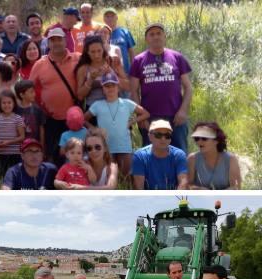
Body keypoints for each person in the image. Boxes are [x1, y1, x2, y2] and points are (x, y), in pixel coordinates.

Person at [130, 23, 193, 151]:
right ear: (146, 39)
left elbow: (188, 88)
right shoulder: (138, 60)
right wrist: (140, 117)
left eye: (159, 33)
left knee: (179, 154)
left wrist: (183, 111)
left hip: (175, 117)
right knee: (151, 155)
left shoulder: (177, 57)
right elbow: (134, 91)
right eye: (151, 34)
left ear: (164, 36)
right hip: (149, 117)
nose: (156, 37)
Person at [30, 28, 80, 165]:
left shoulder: (78, 58)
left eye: (59, 39)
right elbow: (29, 88)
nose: (56, 43)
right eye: (52, 40)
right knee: (53, 154)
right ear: (48, 43)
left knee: (75, 155)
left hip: (74, 118)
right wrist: (38, 109)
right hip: (50, 119)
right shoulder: (40, 64)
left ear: (66, 40)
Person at [84, 72, 149, 177]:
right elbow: (83, 119)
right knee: (109, 177)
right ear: (103, 89)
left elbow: (146, 113)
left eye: (113, 85)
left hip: (124, 146)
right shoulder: (97, 105)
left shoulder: (127, 103)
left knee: (127, 176)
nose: (110, 89)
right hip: (106, 148)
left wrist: (132, 121)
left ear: (118, 87)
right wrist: (93, 129)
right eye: (107, 86)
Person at [75, 35, 129, 110]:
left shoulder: (113, 61)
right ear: (87, 52)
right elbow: (80, 96)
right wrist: (90, 80)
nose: (96, 55)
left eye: (99, 51)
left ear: (103, 49)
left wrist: (111, 73)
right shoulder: (84, 68)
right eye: (92, 52)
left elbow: (128, 87)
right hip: (93, 111)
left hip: (115, 109)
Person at [132, 119, 188, 190]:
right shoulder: (139, 156)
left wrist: (175, 200)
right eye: (158, 135)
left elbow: (183, 183)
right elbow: (139, 188)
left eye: (167, 135)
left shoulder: (179, 155)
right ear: (150, 136)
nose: (163, 139)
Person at [187, 122, 241, 190]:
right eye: (197, 138)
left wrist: (217, 195)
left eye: (204, 138)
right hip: (201, 199)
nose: (199, 142)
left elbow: (236, 187)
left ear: (216, 141)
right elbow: (187, 186)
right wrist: (199, 189)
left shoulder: (231, 159)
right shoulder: (192, 159)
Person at [0, 90, 25, 173]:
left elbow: (22, 137)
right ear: (0, 104)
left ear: (14, 103)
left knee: (15, 177)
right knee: (1, 177)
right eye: (4, 103)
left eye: (9, 102)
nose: (6, 105)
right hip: (1, 154)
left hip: (15, 154)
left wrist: (8, 142)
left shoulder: (18, 118)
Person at [102, 8, 135, 74]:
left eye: (112, 16)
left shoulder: (125, 32)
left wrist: (134, 69)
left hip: (125, 72)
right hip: (107, 74)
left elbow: (131, 53)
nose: (110, 18)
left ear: (116, 17)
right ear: (104, 19)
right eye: (107, 16)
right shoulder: (101, 34)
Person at [14, 80, 45, 146]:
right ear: (22, 95)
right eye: (31, 92)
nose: (34, 94)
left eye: (34, 91)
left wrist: (42, 145)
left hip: (35, 145)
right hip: (19, 146)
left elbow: (41, 128)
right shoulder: (15, 110)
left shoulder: (38, 109)